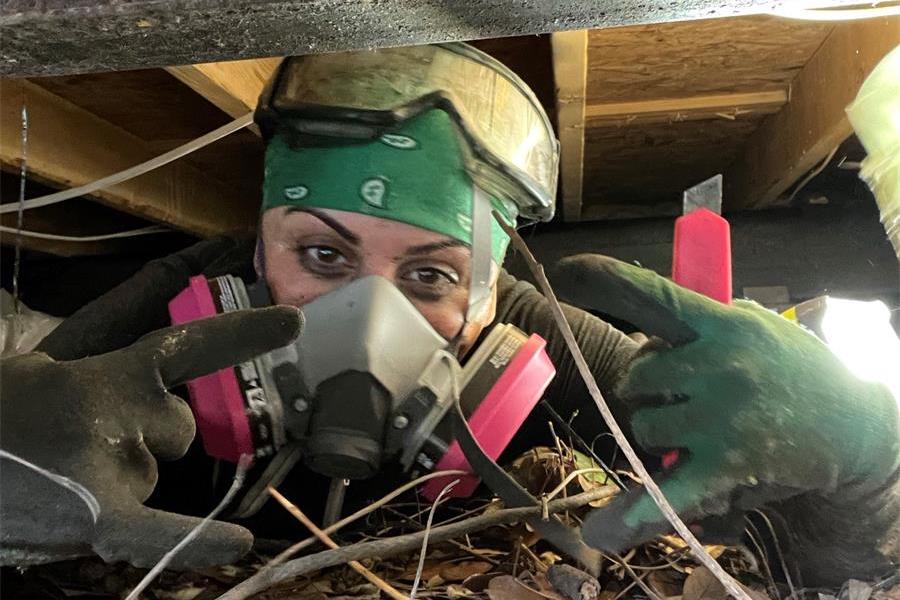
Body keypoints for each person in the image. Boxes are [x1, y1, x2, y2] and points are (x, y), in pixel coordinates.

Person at [2, 43, 897, 588]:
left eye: (432, 275)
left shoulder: (552, 347)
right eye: (322, 256)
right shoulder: (170, 313)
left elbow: (803, 565)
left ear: (496, 280)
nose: (368, 312)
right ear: (258, 236)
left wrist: (869, 460)